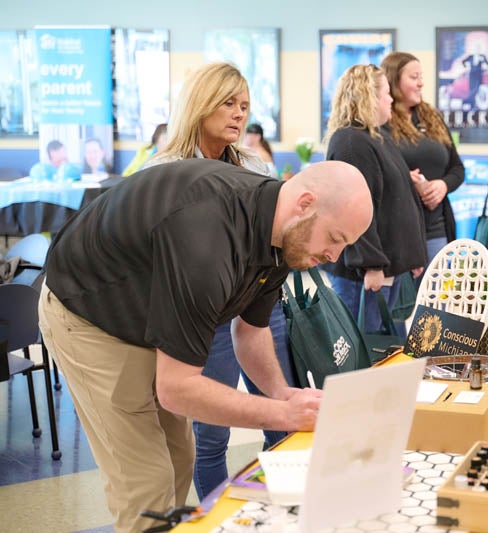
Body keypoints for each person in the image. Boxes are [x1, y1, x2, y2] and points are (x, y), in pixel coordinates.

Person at [38, 157, 373, 533]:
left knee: (181, 456)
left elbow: (251, 333)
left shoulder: (284, 234)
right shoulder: (207, 238)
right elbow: (177, 389)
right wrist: (282, 415)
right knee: (146, 480)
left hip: (145, 313)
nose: (334, 257)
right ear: (305, 204)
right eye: (335, 238)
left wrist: (282, 394)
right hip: (89, 315)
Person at [145, 62, 284, 502]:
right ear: (200, 103)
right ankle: (215, 519)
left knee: (279, 415)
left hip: (256, 305)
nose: (239, 114)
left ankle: (280, 511)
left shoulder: (255, 165)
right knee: (211, 434)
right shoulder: (163, 170)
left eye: (244, 105)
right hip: (202, 317)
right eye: (228, 103)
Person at [323, 64, 426, 332]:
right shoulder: (351, 143)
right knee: (362, 346)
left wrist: (412, 255)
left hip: (386, 267)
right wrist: (370, 264)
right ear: (368, 97)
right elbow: (353, 209)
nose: (391, 99)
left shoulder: (376, 137)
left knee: (380, 346)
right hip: (364, 274)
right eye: (386, 93)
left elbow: (396, 200)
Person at [380, 51, 464, 263]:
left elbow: (457, 168)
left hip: (436, 229)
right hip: (398, 230)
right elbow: (376, 175)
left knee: (438, 284)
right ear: (393, 80)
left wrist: (443, 185)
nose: (421, 83)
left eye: (421, 77)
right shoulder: (381, 122)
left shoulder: (432, 117)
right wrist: (405, 180)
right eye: (413, 77)